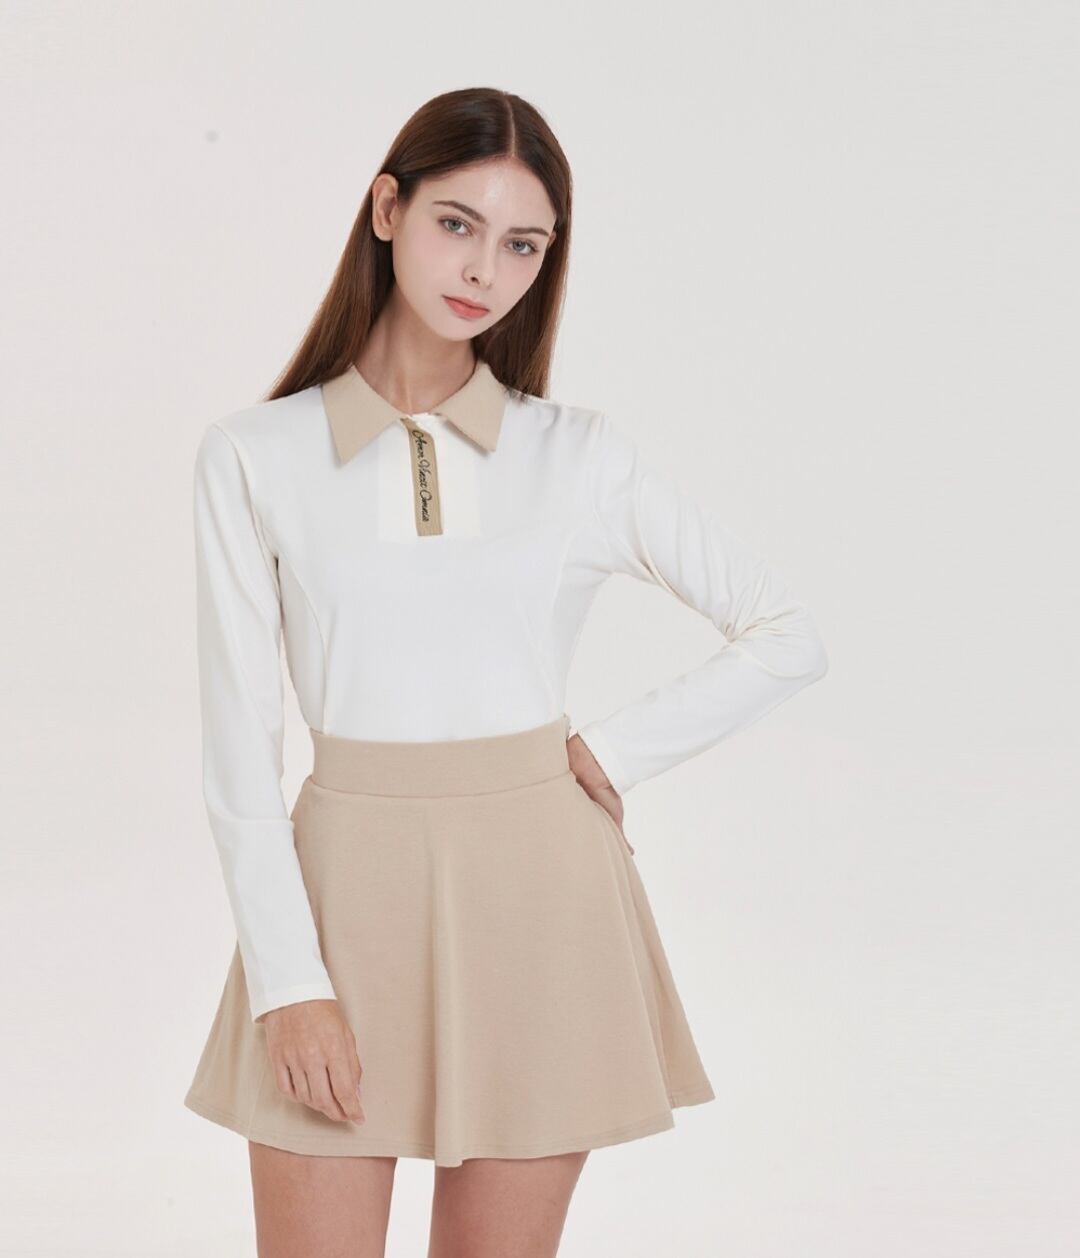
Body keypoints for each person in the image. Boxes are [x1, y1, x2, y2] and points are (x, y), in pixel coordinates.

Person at [182, 86, 829, 1258]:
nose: (486, 268)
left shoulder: (576, 456)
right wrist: (288, 982)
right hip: (337, 903)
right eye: (457, 224)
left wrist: (609, 751)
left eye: (524, 244)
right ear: (388, 210)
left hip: (542, 898)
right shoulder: (254, 456)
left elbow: (784, 631)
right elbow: (238, 756)